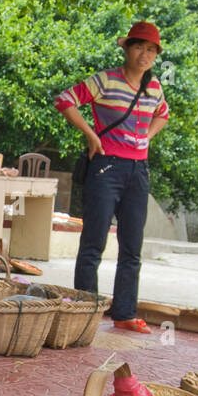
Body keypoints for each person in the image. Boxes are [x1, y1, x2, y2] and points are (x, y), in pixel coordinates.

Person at [55, 21, 170, 333]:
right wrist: (91, 135)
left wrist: (147, 136)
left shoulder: (154, 87)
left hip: (138, 171)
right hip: (106, 167)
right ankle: (85, 309)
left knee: (132, 246)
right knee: (94, 243)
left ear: (155, 54)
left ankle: (124, 313)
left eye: (151, 50)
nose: (144, 54)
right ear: (127, 48)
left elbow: (164, 114)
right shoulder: (105, 80)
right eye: (139, 47)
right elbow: (64, 100)